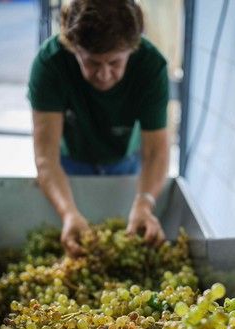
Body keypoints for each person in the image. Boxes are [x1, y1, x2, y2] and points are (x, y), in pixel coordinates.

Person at [28, 0, 169, 256]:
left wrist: (145, 203)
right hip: (67, 162)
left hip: (126, 160)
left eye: (115, 63)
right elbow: (46, 158)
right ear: (72, 48)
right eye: (92, 63)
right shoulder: (49, 65)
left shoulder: (151, 66)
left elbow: (155, 152)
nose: (104, 74)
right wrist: (68, 212)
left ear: (133, 49)